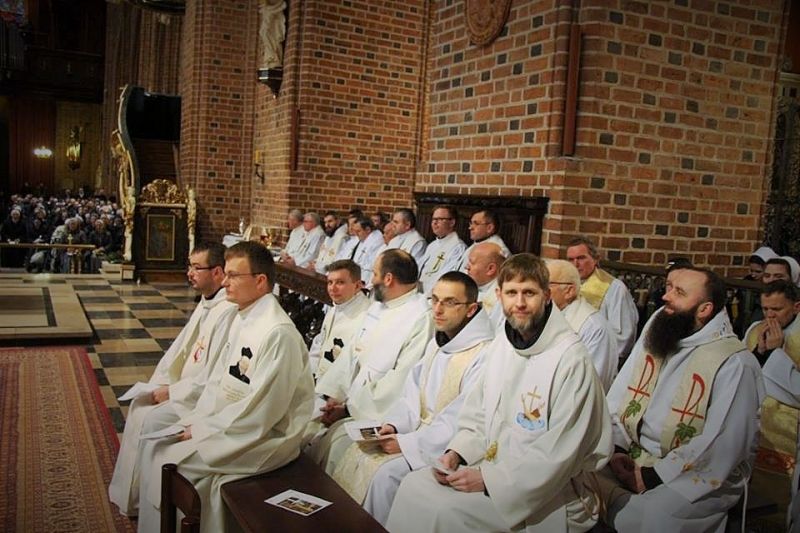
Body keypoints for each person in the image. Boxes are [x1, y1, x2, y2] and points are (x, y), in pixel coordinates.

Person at [387, 253, 613, 532]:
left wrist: (490, 481)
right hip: (492, 466)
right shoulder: (502, 345)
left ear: (546, 296)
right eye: (512, 293)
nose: (520, 303)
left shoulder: (571, 359)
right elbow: (478, 411)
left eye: (529, 293)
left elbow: (561, 451)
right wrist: (457, 452)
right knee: (413, 485)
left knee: (445, 511)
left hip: (547, 493)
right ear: (499, 296)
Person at [136, 241, 315, 533]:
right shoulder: (243, 318)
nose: (225, 282)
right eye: (226, 274)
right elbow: (218, 382)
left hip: (266, 438)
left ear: (260, 281)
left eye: (233, 275)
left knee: (169, 462)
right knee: (160, 449)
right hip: (232, 426)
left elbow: (262, 411)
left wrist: (203, 430)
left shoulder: (277, 334)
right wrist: (198, 420)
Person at [601, 268, 764, 532]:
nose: (666, 296)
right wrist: (617, 448)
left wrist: (651, 476)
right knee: (576, 478)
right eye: (668, 287)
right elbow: (621, 394)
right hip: (634, 454)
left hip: (695, 472)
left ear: (704, 309)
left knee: (657, 515)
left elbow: (723, 442)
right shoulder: (660, 333)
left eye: (679, 292)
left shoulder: (734, 363)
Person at [338, 272, 494, 526]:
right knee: (357, 453)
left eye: (450, 302)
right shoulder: (439, 342)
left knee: (385, 476)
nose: (438, 309)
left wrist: (408, 444)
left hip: (443, 447)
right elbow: (412, 394)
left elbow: (462, 418)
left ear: (471, 309)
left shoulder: (484, 354)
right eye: (435, 300)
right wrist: (395, 425)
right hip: (418, 434)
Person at [109, 242, 237, 517]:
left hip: (198, 398)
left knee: (151, 419)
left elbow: (214, 372)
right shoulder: (208, 302)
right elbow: (183, 349)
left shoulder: (227, 310)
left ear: (217, 272)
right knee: (140, 406)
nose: (189, 273)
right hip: (184, 387)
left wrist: (173, 392)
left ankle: (148, 504)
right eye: (189, 266)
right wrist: (162, 382)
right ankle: (132, 497)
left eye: (196, 267)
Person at [309, 249, 434, 475]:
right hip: (351, 401)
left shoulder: (420, 316)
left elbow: (401, 379)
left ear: (388, 279)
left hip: (376, 412)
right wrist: (334, 394)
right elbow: (353, 352)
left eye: (375, 274)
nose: (371, 281)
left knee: (334, 448)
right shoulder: (378, 305)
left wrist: (349, 407)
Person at [744, 280, 800, 529]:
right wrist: (760, 352)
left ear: (796, 307)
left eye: (776, 309)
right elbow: (746, 373)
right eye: (765, 308)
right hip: (758, 423)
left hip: (789, 429)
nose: (769, 316)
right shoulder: (755, 330)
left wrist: (776, 353)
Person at [547, 259, 617, 391]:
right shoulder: (547, 316)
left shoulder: (594, 327)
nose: (541, 291)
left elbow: (593, 381)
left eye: (547, 285)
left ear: (569, 291)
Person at [567, 236, 639, 361]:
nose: (575, 264)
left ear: (596, 259)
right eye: (570, 260)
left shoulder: (615, 289)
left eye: (581, 258)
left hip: (598, 358)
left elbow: (623, 338)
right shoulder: (564, 286)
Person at [308, 259, 370, 379]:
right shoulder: (335, 308)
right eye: (330, 282)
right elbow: (321, 343)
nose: (332, 288)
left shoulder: (366, 317)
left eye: (340, 282)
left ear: (357, 286)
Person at [418, 205, 466, 295]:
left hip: (435, 295)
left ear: (452, 222)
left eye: (439, 219)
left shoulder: (458, 248)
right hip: (419, 293)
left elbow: (447, 277)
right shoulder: (432, 245)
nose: (434, 223)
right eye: (433, 219)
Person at [464, 241, 506, 327]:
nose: (466, 267)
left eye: (472, 263)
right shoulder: (471, 285)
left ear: (490, 269)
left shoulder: (501, 299)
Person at [350, 217, 384, 286]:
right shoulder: (363, 238)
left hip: (367, 279)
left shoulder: (377, 241)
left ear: (368, 230)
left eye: (358, 231)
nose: (356, 234)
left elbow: (370, 266)